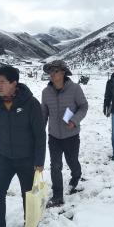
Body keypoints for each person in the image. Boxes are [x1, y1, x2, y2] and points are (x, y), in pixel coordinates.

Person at [0, 65, 46, 227]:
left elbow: (39, 134)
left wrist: (39, 161)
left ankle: (31, 225)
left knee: (28, 193)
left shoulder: (31, 104)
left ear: (14, 83)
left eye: (2, 82)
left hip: (27, 159)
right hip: (5, 159)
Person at [41, 60, 88, 208]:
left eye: (55, 71)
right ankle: (58, 196)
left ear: (63, 73)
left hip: (71, 135)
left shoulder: (75, 89)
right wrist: (39, 131)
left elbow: (84, 106)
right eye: (50, 71)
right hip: (54, 136)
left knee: (72, 161)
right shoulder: (46, 92)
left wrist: (74, 120)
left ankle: (76, 175)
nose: (52, 74)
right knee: (55, 166)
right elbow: (44, 114)